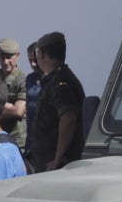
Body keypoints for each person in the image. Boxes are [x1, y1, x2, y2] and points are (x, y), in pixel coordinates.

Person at [29, 31, 86, 173]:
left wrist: (58, 157)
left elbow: (68, 118)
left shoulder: (61, 82)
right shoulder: (55, 78)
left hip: (58, 167)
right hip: (48, 165)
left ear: (41, 54)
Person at [0, 38, 29, 160]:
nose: (5, 61)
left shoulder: (22, 79)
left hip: (16, 139)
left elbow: (18, 111)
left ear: (18, 55)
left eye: (9, 57)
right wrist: (9, 106)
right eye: (2, 57)